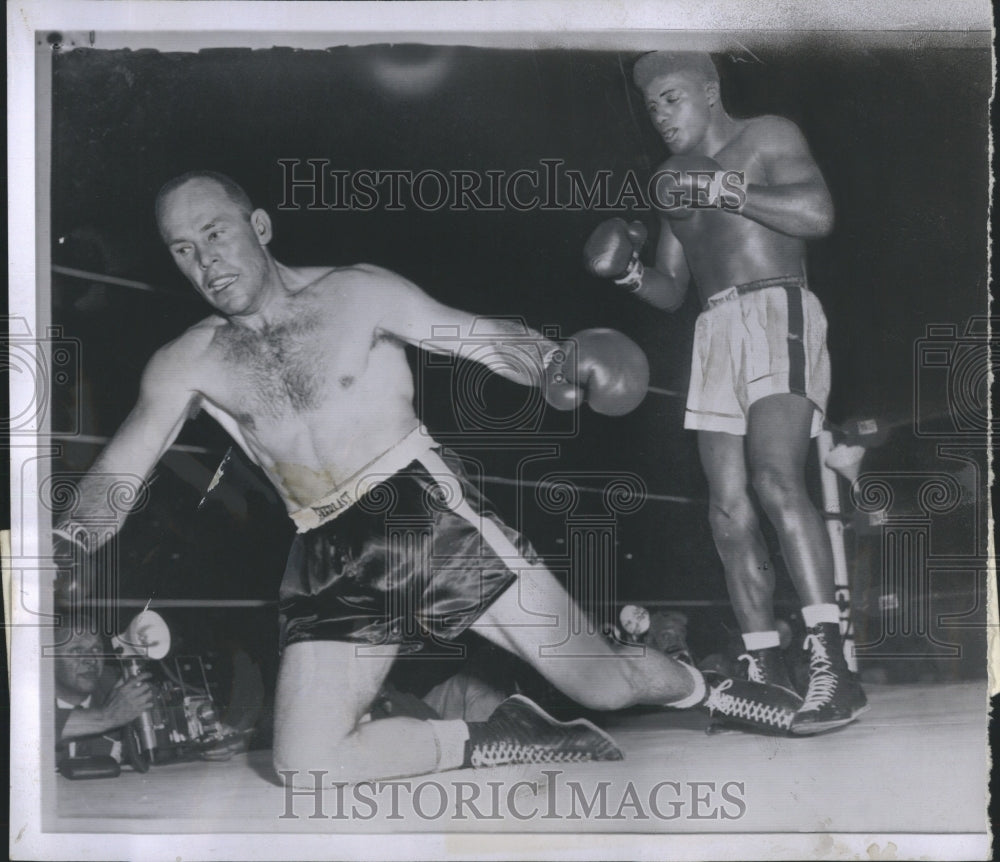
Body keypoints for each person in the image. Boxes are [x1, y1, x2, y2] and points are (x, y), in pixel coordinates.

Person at [54, 170, 802, 784]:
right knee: (306, 766)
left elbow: (477, 339)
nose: (205, 261)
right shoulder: (187, 361)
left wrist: (553, 364)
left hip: (424, 513)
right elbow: (120, 470)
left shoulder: (357, 294)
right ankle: (485, 737)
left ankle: (712, 685)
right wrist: (66, 539)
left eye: (214, 233)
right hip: (327, 550)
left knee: (600, 682)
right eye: (182, 250)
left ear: (260, 227)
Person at [584, 51, 867, 734]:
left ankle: (833, 664)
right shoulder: (666, 180)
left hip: (779, 309)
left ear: (710, 92)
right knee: (726, 510)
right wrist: (626, 275)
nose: (661, 116)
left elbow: (817, 213)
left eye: (673, 98)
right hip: (714, 330)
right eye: (652, 106)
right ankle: (765, 671)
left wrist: (724, 190)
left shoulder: (768, 136)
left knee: (775, 478)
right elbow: (673, 287)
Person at [53, 622, 155, 768]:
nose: (91, 659)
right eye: (76, 650)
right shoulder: (26, 695)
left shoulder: (116, 687)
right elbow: (36, 727)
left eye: (96, 649)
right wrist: (107, 716)